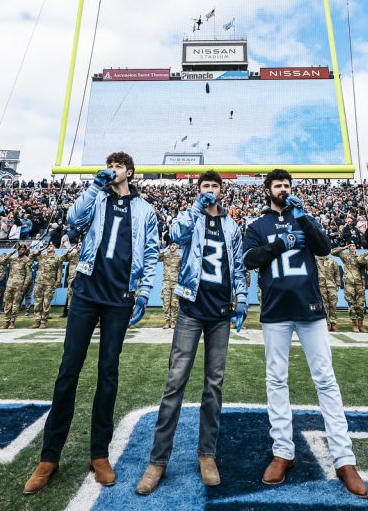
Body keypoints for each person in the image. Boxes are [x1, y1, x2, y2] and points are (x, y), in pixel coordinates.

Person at [24, 152, 159, 495]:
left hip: (120, 298)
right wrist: (94, 186)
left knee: (108, 374)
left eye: (118, 166)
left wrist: (143, 293)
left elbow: (152, 252)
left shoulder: (144, 210)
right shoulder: (97, 197)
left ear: (130, 171)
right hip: (86, 291)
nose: (112, 170)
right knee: (68, 370)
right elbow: (73, 218)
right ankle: (49, 456)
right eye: (109, 165)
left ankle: (99, 454)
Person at [241, 169, 367, 498]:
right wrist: (279, 243)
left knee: (325, 378)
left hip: (309, 308)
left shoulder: (303, 218)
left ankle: (344, 458)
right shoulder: (257, 226)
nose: (283, 189)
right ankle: (283, 451)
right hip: (275, 311)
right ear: (267, 190)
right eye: (278, 185)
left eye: (287, 185)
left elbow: (324, 249)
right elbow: (249, 259)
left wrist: (305, 218)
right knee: (276, 379)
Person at [136, 170, 247, 494]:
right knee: (175, 383)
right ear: (199, 190)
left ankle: (207, 455)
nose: (210, 190)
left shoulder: (231, 226)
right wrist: (196, 206)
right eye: (205, 186)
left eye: (214, 186)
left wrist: (241, 299)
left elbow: (237, 265)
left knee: (214, 385)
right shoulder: (193, 218)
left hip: (220, 314)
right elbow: (174, 233)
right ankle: (158, 461)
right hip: (190, 309)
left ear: (222, 191)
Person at [330, 244, 368, 332]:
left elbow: (363, 272)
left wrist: (363, 284)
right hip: (349, 283)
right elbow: (333, 252)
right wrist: (344, 247)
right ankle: (354, 324)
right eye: (350, 246)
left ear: (356, 248)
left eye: (354, 246)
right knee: (352, 304)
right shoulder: (345, 255)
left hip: (359, 283)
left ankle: (361, 324)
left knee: (360, 304)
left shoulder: (360, 257)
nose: (352, 247)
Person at [2, 242, 39, 330]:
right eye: (19, 249)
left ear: (25, 250)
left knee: (15, 304)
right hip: (10, 284)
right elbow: (2, 261)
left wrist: (24, 286)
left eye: (23, 249)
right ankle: (6, 321)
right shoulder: (13, 259)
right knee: (7, 304)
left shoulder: (27, 260)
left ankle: (12, 322)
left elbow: (29, 275)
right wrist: (12, 252)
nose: (21, 251)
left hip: (19, 286)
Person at [315, 253, 343, 331]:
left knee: (333, 304)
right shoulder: (316, 260)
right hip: (320, 285)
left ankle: (333, 323)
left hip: (331, 285)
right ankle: (326, 323)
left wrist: (338, 284)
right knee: (323, 305)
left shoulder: (331, 260)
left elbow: (337, 272)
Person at [159, 243, 182, 329]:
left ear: (177, 246)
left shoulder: (180, 257)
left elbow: (183, 269)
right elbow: (157, 258)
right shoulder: (165, 256)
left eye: (174, 245)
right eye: (170, 245)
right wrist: (164, 250)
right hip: (166, 283)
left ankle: (173, 321)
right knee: (166, 302)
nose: (172, 247)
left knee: (174, 303)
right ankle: (167, 321)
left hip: (175, 283)